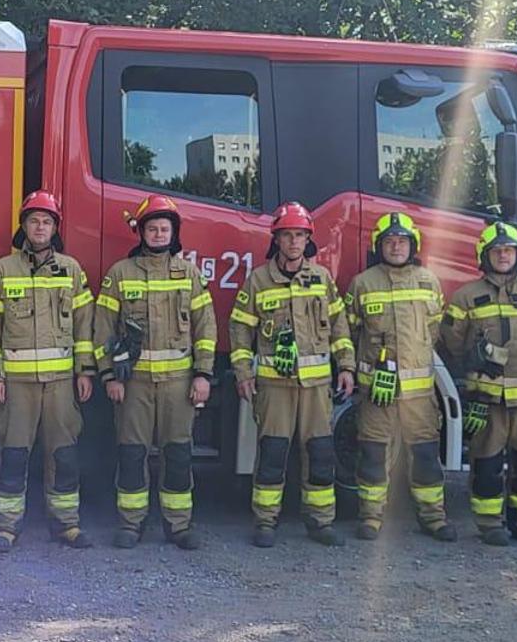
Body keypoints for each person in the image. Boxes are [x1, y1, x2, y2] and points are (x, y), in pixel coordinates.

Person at [0, 190, 97, 552]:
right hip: (16, 385)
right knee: (13, 455)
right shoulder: (2, 270)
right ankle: (8, 527)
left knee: (64, 455)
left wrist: (85, 371)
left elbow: (84, 326)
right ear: (23, 226)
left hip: (60, 384)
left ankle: (67, 525)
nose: (40, 227)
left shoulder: (71, 270)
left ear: (55, 228)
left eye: (46, 221)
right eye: (33, 220)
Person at [228, 201, 355, 547]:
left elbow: (340, 327)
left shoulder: (322, 279)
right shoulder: (259, 280)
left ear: (307, 240)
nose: (294, 243)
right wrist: (242, 372)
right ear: (277, 240)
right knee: (272, 452)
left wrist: (346, 366)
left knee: (320, 452)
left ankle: (320, 522)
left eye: (300, 236)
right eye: (287, 236)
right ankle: (266, 522)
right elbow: (240, 330)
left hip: (316, 386)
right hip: (274, 385)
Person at [92, 195, 214, 550]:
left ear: (173, 233)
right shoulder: (120, 274)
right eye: (152, 228)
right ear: (141, 233)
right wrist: (109, 376)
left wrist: (203, 375)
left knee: (178, 453)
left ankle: (179, 526)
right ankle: (131, 524)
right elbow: (104, 329)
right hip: (134, 385)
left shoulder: (189, 274)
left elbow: (206, 328)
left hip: (178, 384)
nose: (158, 234)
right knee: (131, 453)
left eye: (164, 229)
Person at [441, 221, 517, 548]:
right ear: (485, 256)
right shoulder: (467, 296)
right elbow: (452, 338)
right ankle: (490, 525)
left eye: (508, 250)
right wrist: (473, 361)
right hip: (487, 398)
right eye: (496, 251)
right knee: (487, 465)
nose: (503, 256)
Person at [342, 212, 453, 542]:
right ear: (379, 246)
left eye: (402, 241)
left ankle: (433, 518)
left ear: (412, 245)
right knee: (374, 455)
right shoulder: (362, 283)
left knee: (425, 458)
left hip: (419, 396)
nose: (395, 247)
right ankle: (371, 517)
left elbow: (435, 332)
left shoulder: (428, 282)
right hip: (377, 393)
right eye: (389, 242)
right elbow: (349, 331)